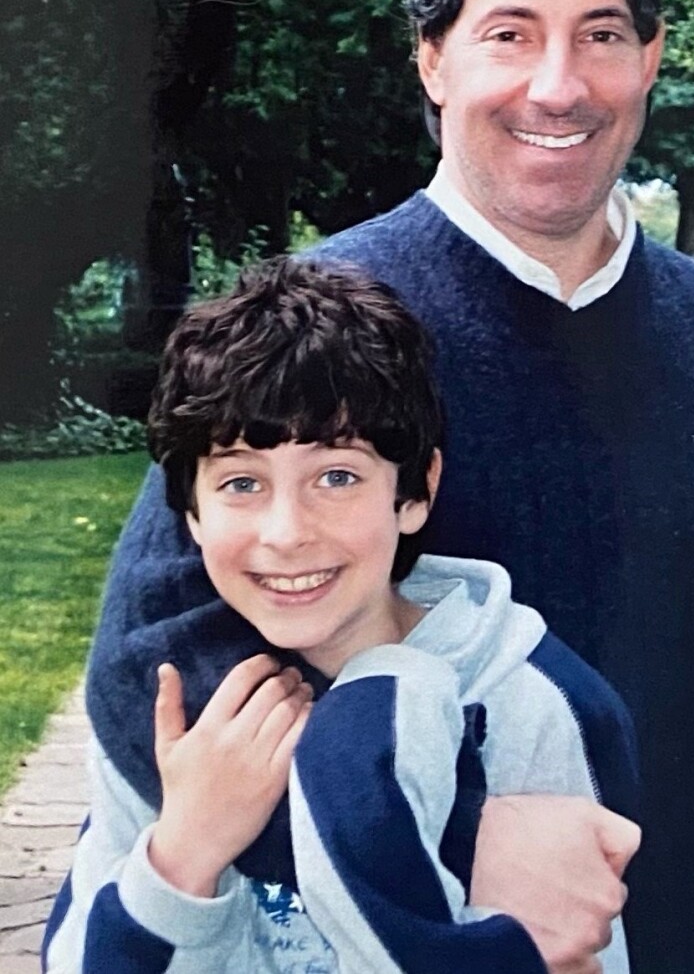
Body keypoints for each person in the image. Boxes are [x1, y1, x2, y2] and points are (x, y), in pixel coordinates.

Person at [75, 0, 694, 971]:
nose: (559, 84)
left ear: (649, 56)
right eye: (508, 32)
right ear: (432, 58)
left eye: (599, 33)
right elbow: (157, 672)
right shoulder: (308, 326)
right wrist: (470, 826)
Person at [42, 257, 640, 974]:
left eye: (337, 476)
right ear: (189, 512)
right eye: (240, 482)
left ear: (417, 490)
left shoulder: (531, 704)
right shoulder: (183, 707)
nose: (287, 531)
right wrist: (186, 850)